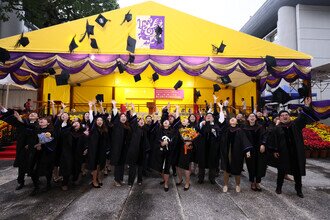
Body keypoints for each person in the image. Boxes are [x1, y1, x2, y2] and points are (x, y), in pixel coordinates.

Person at [272, 97, 318, 198]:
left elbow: (302, 117)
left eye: (286, 115)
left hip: (296, 153)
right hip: (284, 153)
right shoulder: (277, 129)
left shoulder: (295, 125)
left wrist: (306, 106)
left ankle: (299, 190)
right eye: (282, 115)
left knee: (297, 173)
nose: (284, 117)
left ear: (289, 116)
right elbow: (274, 140)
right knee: (281, 171)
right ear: (279, 118)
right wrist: (275, 150)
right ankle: (278, 187)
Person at [243, 113, 267, 191]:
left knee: (259, 165)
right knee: (251, 166)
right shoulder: (244, 128)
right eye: (250, 116)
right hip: (249, 149)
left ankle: (258, 182)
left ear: (256, 118)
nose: (252, 117)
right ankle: (252, 182)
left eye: (253, 116)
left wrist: (263, 144)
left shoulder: (260, 127)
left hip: (259, 149)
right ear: (248, 119)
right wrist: (246, 150)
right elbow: (243, 140)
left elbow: (264, 136)